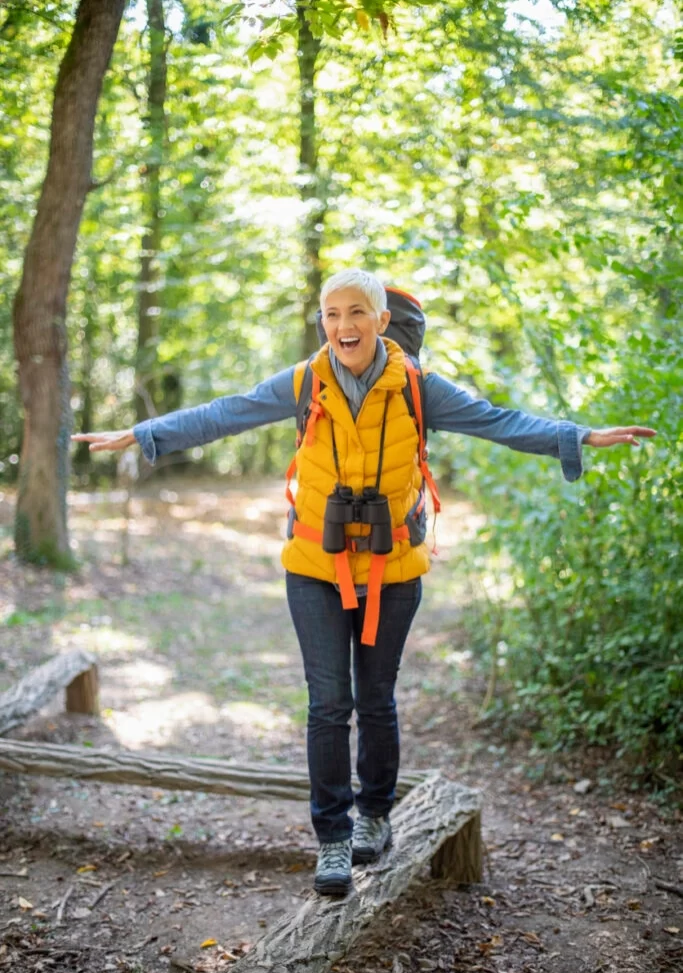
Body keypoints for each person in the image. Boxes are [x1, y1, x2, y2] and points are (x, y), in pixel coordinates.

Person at [72, 268, 656, 897]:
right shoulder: (303, 382)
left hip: (393, 568)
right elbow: (227, 413)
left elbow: (498, 421)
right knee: (329, 704)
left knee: (375, 700)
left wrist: (579, 436)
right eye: (331, 314)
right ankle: (332, 840)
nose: (342, 326)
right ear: (321, 322)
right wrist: (145, 433)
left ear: (381, 321)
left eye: (356, 313)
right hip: (316, 567)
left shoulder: (418, 387)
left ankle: (375, 815)